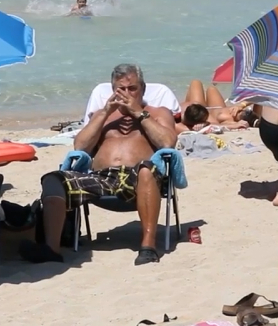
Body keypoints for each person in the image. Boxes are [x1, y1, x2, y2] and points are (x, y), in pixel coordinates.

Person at [20, 64, 178, 265]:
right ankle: (52, 248)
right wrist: (104, 113)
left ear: (143, 89)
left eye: (132, 88)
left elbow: (168, 142)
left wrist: (140, 114)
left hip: (140, 176)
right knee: (53, 180)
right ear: (113, 91)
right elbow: (80, 146)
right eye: (121, 89)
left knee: (147, 170)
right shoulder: (102, 115)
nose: (126, 94)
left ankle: (148, 246)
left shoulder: (157, 113)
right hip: (102, 178)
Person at [176, 79, 255, 132]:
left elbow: (260, 97)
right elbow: (217, 126)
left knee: (199, 84)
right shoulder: (211, 123)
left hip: (202, 110)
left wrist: (241, 105)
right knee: (203, 87)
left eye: (240, 111)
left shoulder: (190, 107)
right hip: (204, 112)